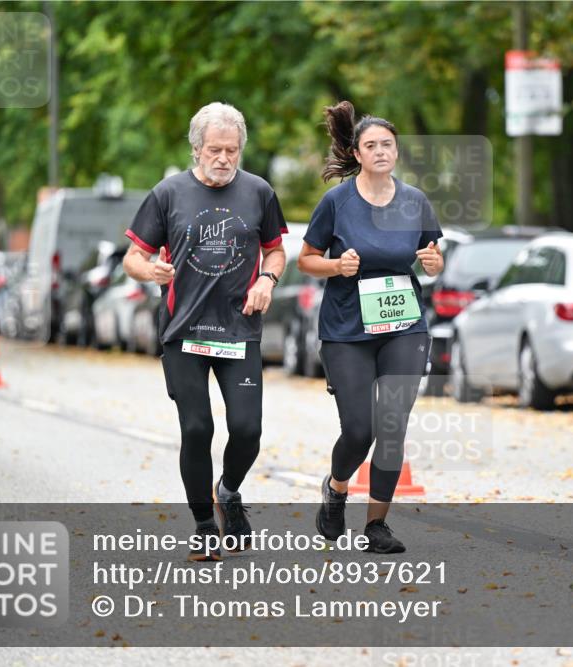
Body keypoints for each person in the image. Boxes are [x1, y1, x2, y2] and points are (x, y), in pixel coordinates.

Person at [123, 102, 287, 561]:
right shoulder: (168, 193)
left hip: (239, 329)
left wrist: (266, 280)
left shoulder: (258, 192)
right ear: (197, 149)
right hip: (184, 330)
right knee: (197, 429)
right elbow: (132, 257)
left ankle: (228, 491)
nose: (223, 158)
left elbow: (275, 251)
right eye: (214, 149)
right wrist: (150, 270)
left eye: (232, 150)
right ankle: (202, 527)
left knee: (247, 429)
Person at [298, 101, 444, 554]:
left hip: (404, 325)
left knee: (392, 424)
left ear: (396, 152)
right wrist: (337, 266)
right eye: (371, 145)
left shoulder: (414, 201)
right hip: (347, 330)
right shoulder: (337, 202)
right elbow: (306, 259)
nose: (381, 151)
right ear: (357, 154)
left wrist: (436, 262)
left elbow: (434, 258)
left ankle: (377, 525)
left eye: (388, 144)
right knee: (360, 429)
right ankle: (337, 489)